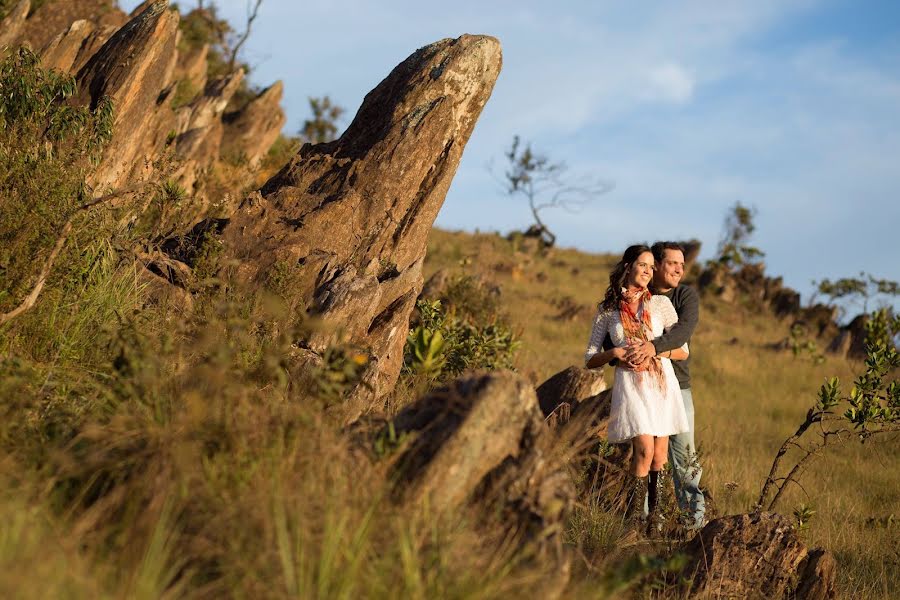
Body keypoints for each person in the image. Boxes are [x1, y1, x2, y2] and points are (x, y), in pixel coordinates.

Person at [584, 244, 689, 533]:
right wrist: (615, 354)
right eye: (642, 265)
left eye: (651, 267)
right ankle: (632, 521)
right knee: (643, 449)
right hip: (631, 385)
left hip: (660, 383)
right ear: (628, 266)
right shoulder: (608, 311)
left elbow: (683, 351)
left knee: (659, 456)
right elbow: (590, 358)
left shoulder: (661, 305)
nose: (648, 271)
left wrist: (653, 350)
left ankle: (653, 522)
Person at [623, 241, 705, 530]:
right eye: (672, 263)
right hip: (641, 388)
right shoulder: (637, 296)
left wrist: (651, 347)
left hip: (677, 388)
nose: (679, 270)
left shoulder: (685, 296)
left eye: (682, 265)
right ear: (656, 264)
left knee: (684, 458)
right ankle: (643, 522)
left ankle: (692, 526)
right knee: (645, 456)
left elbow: (682, 334)